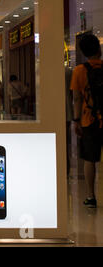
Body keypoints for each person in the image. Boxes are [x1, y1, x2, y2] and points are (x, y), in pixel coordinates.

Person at [70, 33, 102, 208]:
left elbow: (76, 99)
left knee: (90, 159)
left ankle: (91, 196)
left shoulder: (79, 71)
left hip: (88, 121)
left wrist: (76, 120)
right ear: (99, 49)